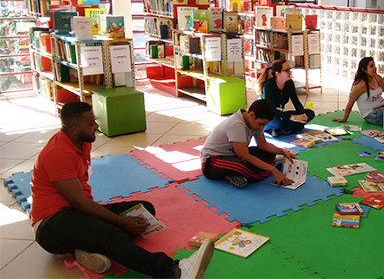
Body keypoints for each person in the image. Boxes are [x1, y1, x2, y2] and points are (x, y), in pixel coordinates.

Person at [30, 102, 214, 279]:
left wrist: (117, 221)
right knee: (114, 233)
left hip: (76, 212)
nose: (96, 125)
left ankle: (91, 247)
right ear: (75, 129)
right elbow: (79, 202)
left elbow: (82, 203)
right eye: (90, 123)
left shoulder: (83, 141)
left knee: (144, 209)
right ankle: (174, 271)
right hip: (51, 225)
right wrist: (121, 223)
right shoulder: (57, 153)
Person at [200, 99, 297, 189]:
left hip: (233, 155)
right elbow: (244, 156)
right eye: (261, 124)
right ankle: (242, 174)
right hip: (212, 162)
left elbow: (262, 144)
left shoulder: (253, 122)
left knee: (270, 154)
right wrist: (271, 168)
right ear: (251, 115)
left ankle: (238, 175)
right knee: (244, 167)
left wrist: (283, 152)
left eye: (264, 125)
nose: (261, 128)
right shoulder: (236, 124)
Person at [257, 59, 315, 137]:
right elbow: (271, 110)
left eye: (290, 69)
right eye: (287, 70)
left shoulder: (289, 83)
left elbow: (296, 101)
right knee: (278, 123)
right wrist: (292, 118)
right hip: (267, 115)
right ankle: (285, 129)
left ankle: (282, 131)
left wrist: (302, 114)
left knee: (310, 113)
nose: (290, 72)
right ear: (278, 73)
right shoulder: (268, 85)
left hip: (279, 114)